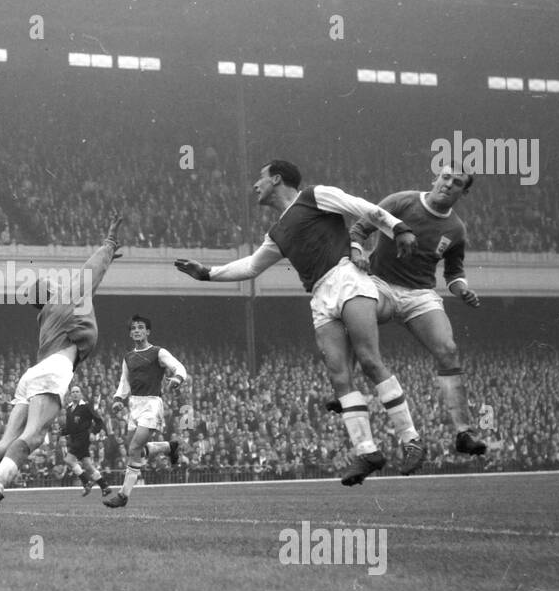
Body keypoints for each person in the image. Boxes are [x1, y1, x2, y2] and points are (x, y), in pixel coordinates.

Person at [175, 160, 424, 485]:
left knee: (368, 359)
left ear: (277, 179)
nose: (256, 185)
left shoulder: (314, 196)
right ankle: (368, 452)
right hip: (320, 295)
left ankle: (411, 440)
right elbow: (252, 266)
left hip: (346, 278)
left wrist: (399, 228)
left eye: (260, 178)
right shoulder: (277, 232)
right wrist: (207, 274)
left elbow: (360, 206)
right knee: (339, 377)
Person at [0, 214, 124, 529]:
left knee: (5, 441)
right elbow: (91, 271)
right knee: (33, 437)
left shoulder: (49, 316)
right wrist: (108, 245)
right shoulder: (67, 298)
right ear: (51, 292)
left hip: (34, 374)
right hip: (53, 371)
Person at [344, 166, 487, 456]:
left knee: (447, 349)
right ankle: (345, 390)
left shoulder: (456, 229)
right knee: (353, 319)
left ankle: (463, 432)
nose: (448, 184)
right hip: (380, 284)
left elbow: (454, 273)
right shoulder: (402, 201)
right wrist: (357, 251)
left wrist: (462, 290)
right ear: (435, 178)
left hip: (420, 294)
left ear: (464, 192)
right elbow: (360, 228)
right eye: (445, 177)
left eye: (456, 182)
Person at [103, 315, 190, 508]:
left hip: (151, 404)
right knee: (136, 448)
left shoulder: (158, 352)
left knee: (134, 448)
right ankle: (169, 447)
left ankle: (123, 495)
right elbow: (124, 382)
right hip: (134, 405)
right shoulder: (128, 357)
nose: (136, 330)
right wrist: (118, 399)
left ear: (148, 331)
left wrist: (177, 379)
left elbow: (180, 367)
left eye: (140, 327)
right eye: (133, 328)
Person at [58, 385, 109, 498]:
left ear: (81, 394)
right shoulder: (69, 409)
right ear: (70, 395)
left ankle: (86, 482)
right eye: (73, 392)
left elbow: (99, 422)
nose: (75, 393)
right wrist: (62, 432)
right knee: (88, 466)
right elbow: (70, 428)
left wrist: (93, 432)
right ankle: (105, 487)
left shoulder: (86, 407)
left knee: (68, 459)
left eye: (77, 391)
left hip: (83, 438)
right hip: (74, 439)